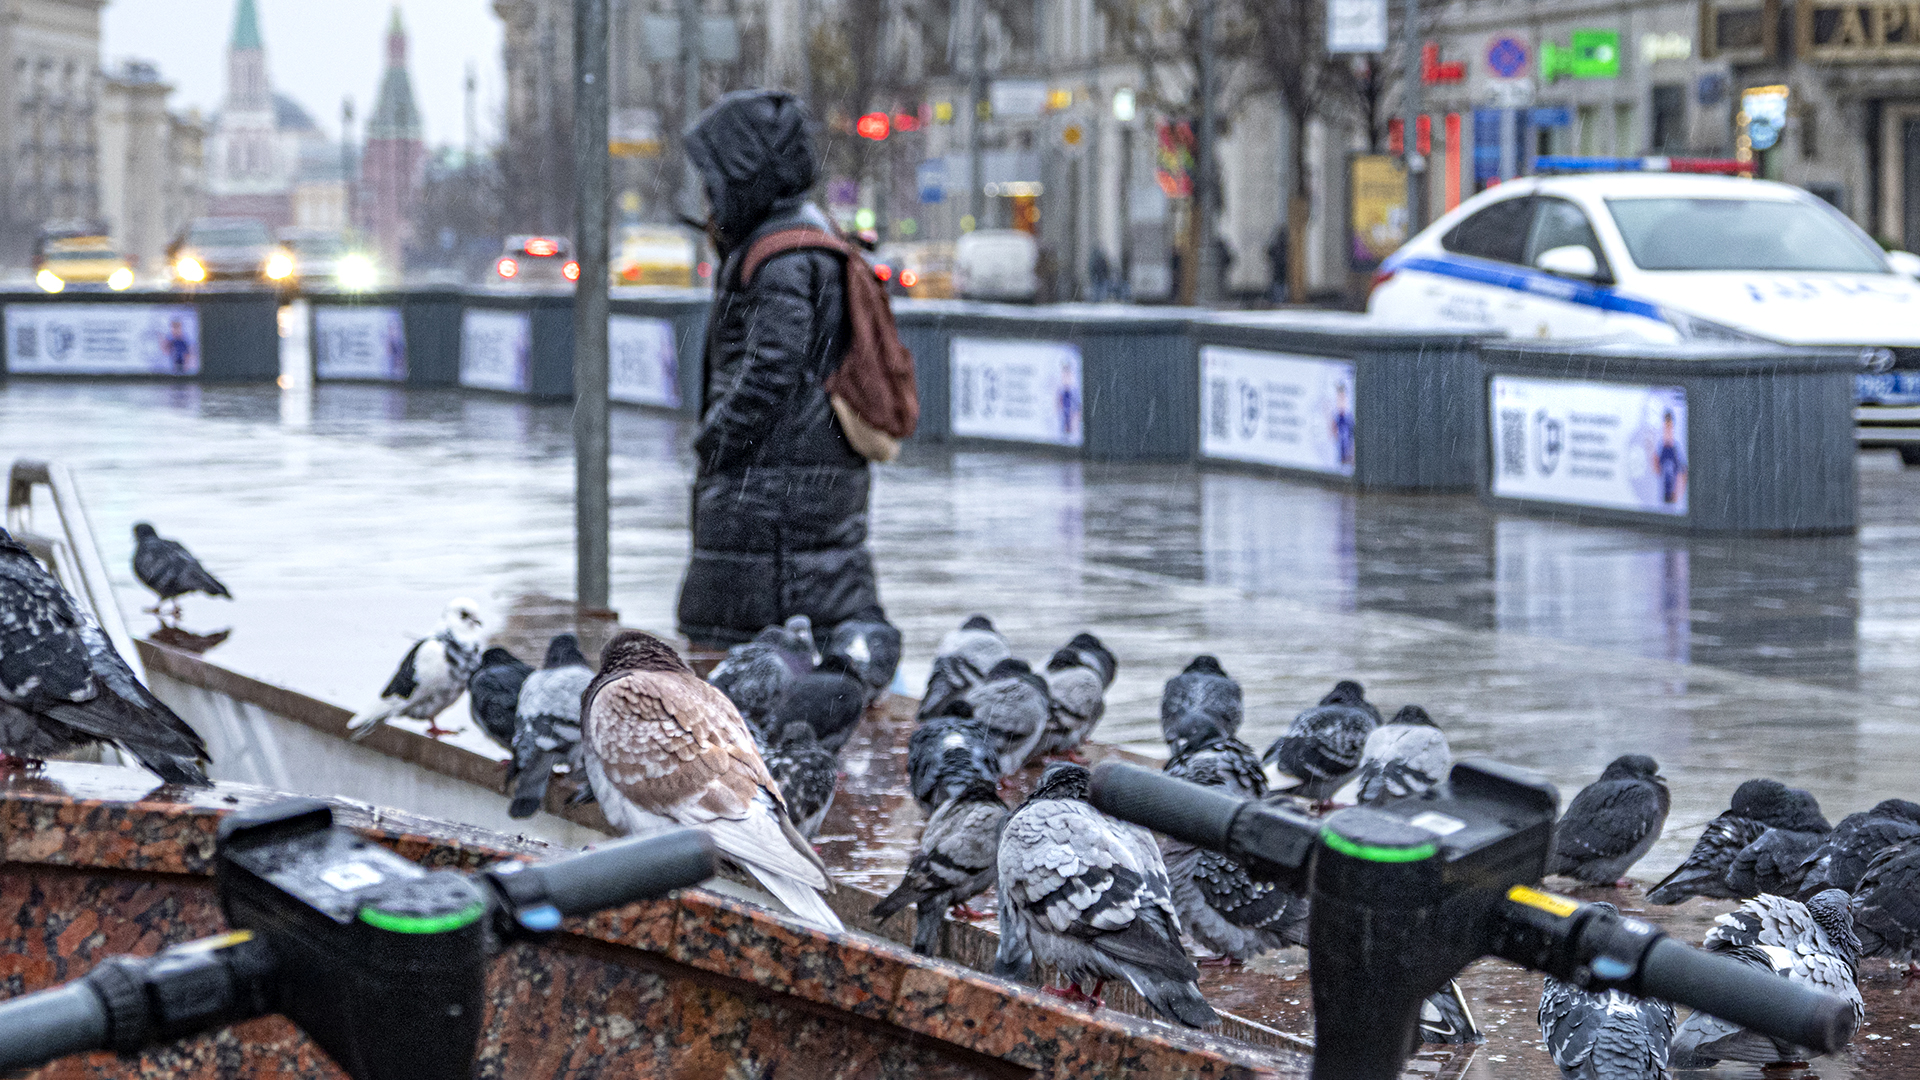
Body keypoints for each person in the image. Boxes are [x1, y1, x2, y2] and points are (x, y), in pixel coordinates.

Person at [674, 89, 888, 648]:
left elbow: (773, 370)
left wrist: (715, 441)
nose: (706, 196)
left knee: (759, 661)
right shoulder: (803, 238)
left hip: (775, 504)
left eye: (714, 177)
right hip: (794, 491)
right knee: (815, 652)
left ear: (743, 175)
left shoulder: (783, 258)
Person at [1653, 409, 1687, 506]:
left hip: (1671, 450)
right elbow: (1656, 469)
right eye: (1666, 423)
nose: (1667, 426)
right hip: (1665, 450)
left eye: (1669, 423)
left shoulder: (1677, 446)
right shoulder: (1660, 446)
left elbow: (1683, 471)